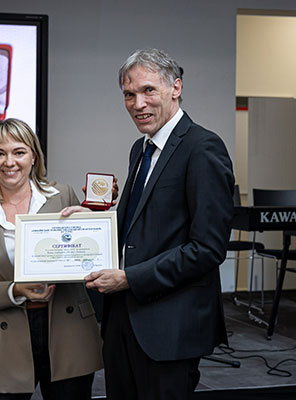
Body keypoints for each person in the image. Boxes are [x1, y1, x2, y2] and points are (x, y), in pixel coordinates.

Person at [64, 48, 235, 399]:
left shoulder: (203, 148)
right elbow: (141, 224)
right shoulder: (140, 149)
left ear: (176, 87)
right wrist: (97, 221)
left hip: (169, 328)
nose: (138, 104)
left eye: (148, 91)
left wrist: (129, 278)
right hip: (123, 320)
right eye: (129, 94)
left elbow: (208, 249)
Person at [0, 118, 104, 399]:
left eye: (19, 152)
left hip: (68, 331)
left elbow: (91, 256)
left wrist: (98, 218)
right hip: (7, 336)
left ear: (33, 156)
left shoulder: (63, 196)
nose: (9, 162)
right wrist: (15, 290)